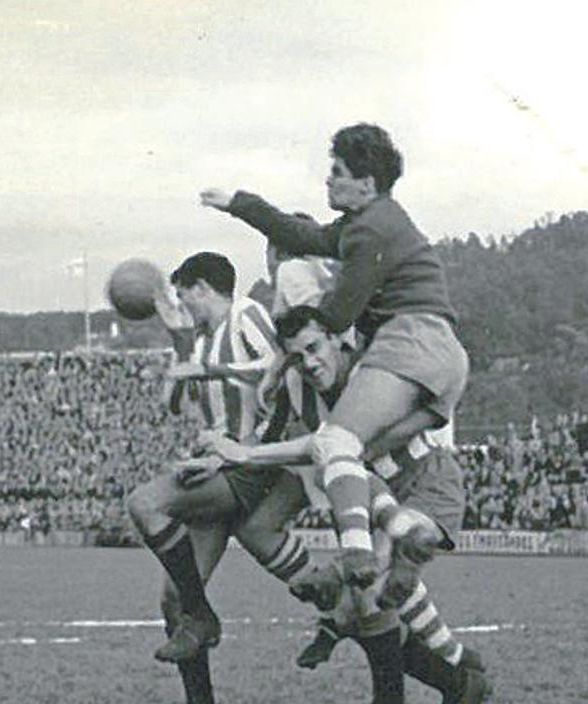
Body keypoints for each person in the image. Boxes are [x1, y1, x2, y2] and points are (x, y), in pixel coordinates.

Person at [186, 304, 490, 704]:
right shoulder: (297, 383)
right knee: (373, 609)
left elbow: (331, 443)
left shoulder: (377, 373)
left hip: (420, 480)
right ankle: (458, 679)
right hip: (365, 493)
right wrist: (222, 453)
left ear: (339, 341)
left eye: (314, 348)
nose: (309, 363)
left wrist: (248, 455)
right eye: (297, 356)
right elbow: (274, 438)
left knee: (369, 600)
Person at [201, 123, 469, 595]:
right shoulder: (369, 222)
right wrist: (241, 205)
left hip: (410, 342)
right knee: (358, 455)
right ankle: (405, 543)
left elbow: (338, 313)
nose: (328, 181)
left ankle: (356, 553)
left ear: (366, 183)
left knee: (333, 443)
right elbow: (301, 234)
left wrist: (287, 355)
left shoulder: (370, 231)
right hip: (440, 358)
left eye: (338, 172)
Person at [124, 251, 309, 704]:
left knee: (146, 503)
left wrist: (203, 368)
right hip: (219, 467)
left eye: (188, 298)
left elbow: (277, 369)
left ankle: (202, 618)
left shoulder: (246, 314)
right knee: (173, 598)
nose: (186, 308)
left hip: (254, 465)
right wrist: (180, 340)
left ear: (205, 288)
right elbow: (172, 402)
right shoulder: (201, 338)